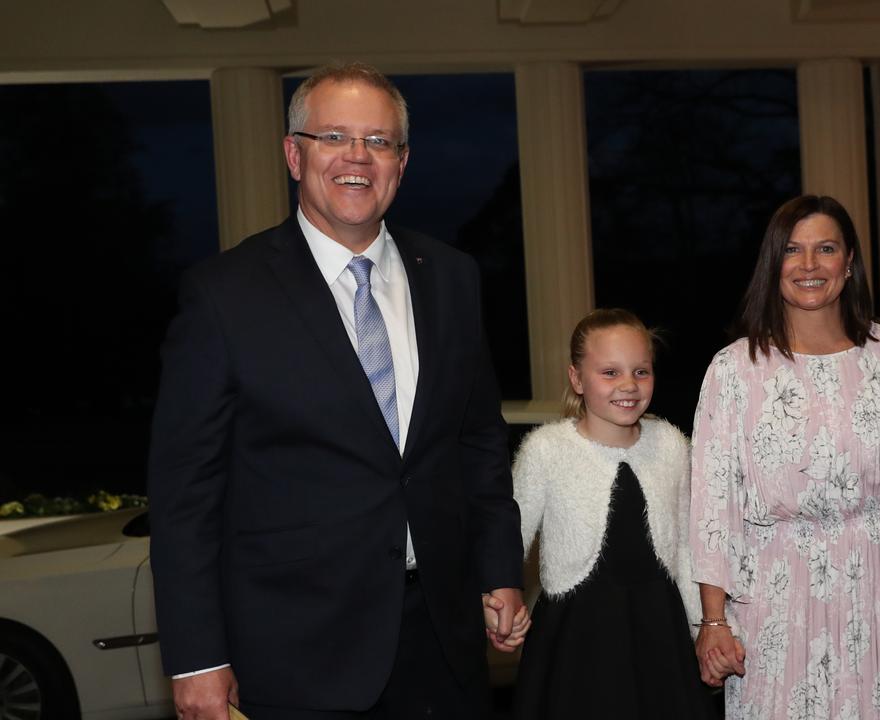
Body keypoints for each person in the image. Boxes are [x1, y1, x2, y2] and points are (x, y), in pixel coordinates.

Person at [147, 62, 527, 720]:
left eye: (378, 141)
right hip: (295, 657)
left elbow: (479, 444)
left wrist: (499, 569)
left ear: (401, 164)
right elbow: (185, 497)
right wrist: (197, 658)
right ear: (295, 154)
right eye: (335, 138)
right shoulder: (223, 296)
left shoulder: (452, 278)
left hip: (441, 645)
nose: (358, 157)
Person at [689, 195, 880, 719]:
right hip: (781, 600)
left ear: (849, 261)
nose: (809, 265)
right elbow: (711, 506)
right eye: (793, 250)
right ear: (774, 264)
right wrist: (713, 620)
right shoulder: (734, 370)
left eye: (826, 248)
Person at [510, 309, 710, 719]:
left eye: (641, 371)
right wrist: (496, 600)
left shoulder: (672, 445)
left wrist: (702, 627)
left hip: (660, 633)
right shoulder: (545, 450)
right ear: (577, 379)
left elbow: (689, 548)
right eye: (609, 372)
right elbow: (508, 538)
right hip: (576, 637)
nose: (628, 386)